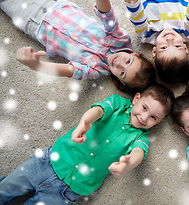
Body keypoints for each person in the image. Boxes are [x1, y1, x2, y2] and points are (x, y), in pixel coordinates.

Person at [0, 83, 175, 204]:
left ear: (158, 122)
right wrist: (85, 121)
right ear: (136, 98)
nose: (144, 118)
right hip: (48, 162)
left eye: (153, 117)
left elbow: (138, 153)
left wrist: (127, 163)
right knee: (5, 189)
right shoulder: (117, 104)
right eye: (144, 108)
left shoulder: (140, 137)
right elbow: (99, 110)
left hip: (69, 189)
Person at [0, 0, 156, 94]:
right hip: (53, 2)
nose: (120, 63)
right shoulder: (120, 40)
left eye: (122, 72)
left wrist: (37, 66)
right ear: (135, 54)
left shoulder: (96, 70)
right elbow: (107, 16)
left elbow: (68, 70)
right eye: (128, 61)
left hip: (33, 22)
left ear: (120, 81)